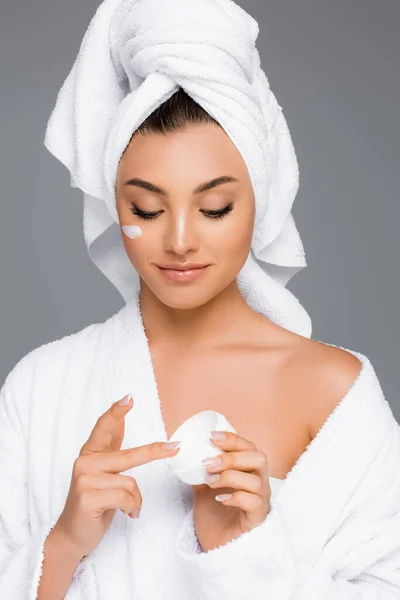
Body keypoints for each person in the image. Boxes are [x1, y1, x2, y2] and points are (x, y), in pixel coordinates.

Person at [1, 2, 400, 600]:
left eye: (214, 209)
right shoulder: (42, 386)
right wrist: (62, 544)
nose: (180, 240)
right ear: (115, 207)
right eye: (147, 209)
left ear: (259, 201)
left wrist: (244, 552)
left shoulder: (335, 391)